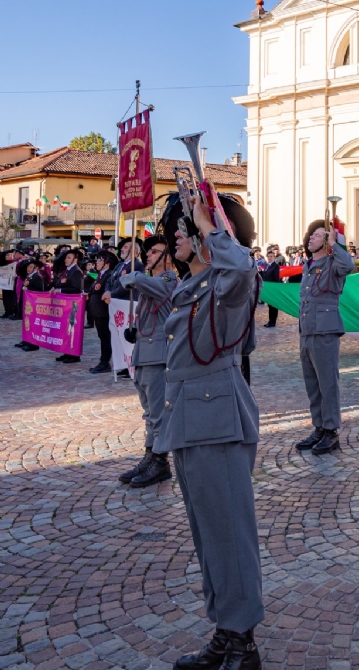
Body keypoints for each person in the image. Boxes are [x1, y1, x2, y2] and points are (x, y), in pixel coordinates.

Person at [159, 191, 264, 670]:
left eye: (185, 228)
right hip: (192, 419)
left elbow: (241, 269)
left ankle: (244, 645)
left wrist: (210, 226)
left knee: (229, 535)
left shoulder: (228, 287)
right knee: (209, 537)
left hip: (216, 420)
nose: (177, 235)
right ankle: (226, 629)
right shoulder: (191, 288)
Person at [118, 235, 179, 489]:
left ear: (168, 257)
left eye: (155, 252)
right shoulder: (152, 283)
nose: (149, 256)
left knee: (159, 412)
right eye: (148, 252)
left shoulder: (168, 280)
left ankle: (160, 461)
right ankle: (149, 454)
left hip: (158, 355)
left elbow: (132, 279)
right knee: (149, 412)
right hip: (144, 354)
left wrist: (131, 272)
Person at [294, 219, 356, 456]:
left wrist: (336, 243)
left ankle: (331, 432)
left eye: (318, 235)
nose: (311, 238)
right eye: (311, 235)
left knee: (328, 384)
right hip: (307, 330)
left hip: (325, 331)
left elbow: (348, 265)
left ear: (328, 240)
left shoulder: (334, 263)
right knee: (313, 385)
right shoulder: (308, 265)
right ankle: (319, 427)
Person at [51, 248, 86, 364]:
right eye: (66, 257)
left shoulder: (76, 271)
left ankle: (74, 354)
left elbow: (77, 289)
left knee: (72, 330)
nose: (66, 260)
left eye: (69, 258)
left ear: (75, 260)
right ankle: (67, 352)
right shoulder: (67, 271)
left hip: (73, 306)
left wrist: (60, 290)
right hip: (65, 305)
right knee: (65, 330)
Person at [86, 250, 118, 375]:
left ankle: (105, 362)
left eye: (100, 260)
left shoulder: (109, 275)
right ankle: (104, 360)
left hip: (104, 312)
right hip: (98, 312)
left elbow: (105, 291)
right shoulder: (100, 275)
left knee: (105, 337)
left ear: (107, 263)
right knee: (102, 337)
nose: (97, 262)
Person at [14, 259, 46, 352]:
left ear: (36, 268)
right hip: (27, 304)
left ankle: (34, 344)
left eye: (31, 267)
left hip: (33, 305)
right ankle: (26, 340)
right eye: (28, 267)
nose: (28, 269)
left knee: (32, 324)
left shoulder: (37, 277)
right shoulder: (29, 276)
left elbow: (40, 290)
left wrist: (28, 287)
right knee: (26, 323)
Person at [260, 249, 282, 328]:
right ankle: (270, 320)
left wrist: (275, 288)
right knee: (270, 305)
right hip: (267, 288)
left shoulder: (275, 266)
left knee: (273, 306)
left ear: (274, 257)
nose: (270, 258)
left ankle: (273, 321)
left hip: (273, 289)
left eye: (271, 256)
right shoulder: (266, 265)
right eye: (269, 256)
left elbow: (276, 278)